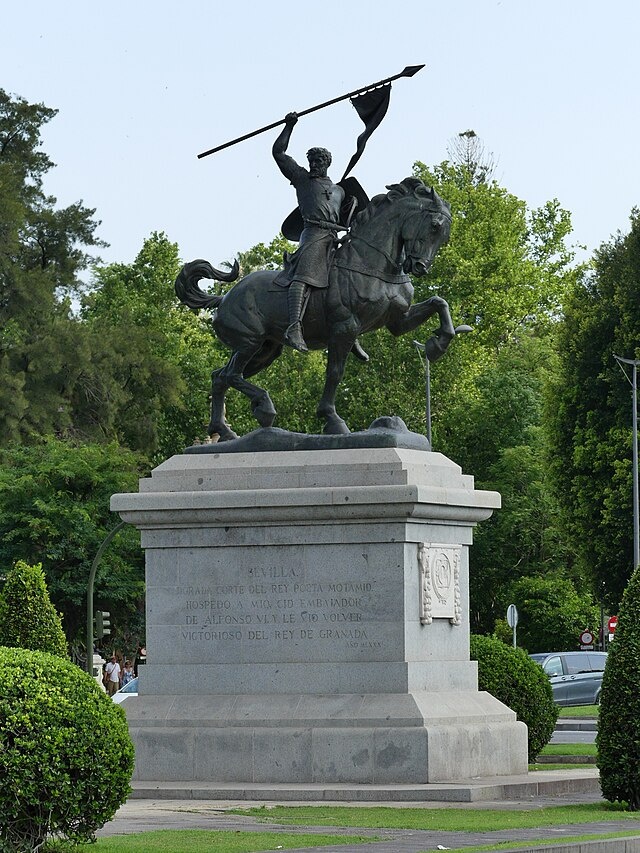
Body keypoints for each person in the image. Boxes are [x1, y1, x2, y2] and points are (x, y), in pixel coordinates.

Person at [272, 111, 345, 353]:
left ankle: (350, 331)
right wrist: (288, 126)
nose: (314, 165)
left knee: (351, 277)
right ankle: (294, 326)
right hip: (313, 235)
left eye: (319, 162)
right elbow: (278, 154)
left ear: (327, 164)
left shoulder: (339, 191)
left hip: (334, 238)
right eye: (312, 161)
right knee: (303, 277)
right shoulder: (302, 179)